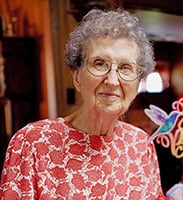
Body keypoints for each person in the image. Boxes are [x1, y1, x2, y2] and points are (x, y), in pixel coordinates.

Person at [0, 8, 167, 199]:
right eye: (99, 63)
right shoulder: (32, 143)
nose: (112, 80)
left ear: (137, 83)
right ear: (77, 77)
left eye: (125, 67)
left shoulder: (140, 144)